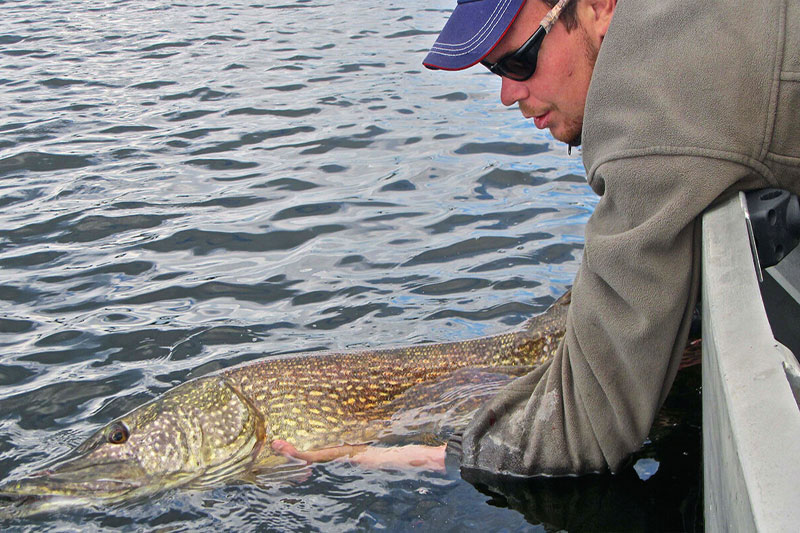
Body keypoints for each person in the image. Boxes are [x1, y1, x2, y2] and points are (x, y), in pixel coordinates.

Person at [275, 0, 800, 476]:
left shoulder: (655, 104)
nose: (507, 94)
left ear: (599, 8)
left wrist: (412, 455)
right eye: (492, 69)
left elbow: (583, 432)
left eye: (518, 61)